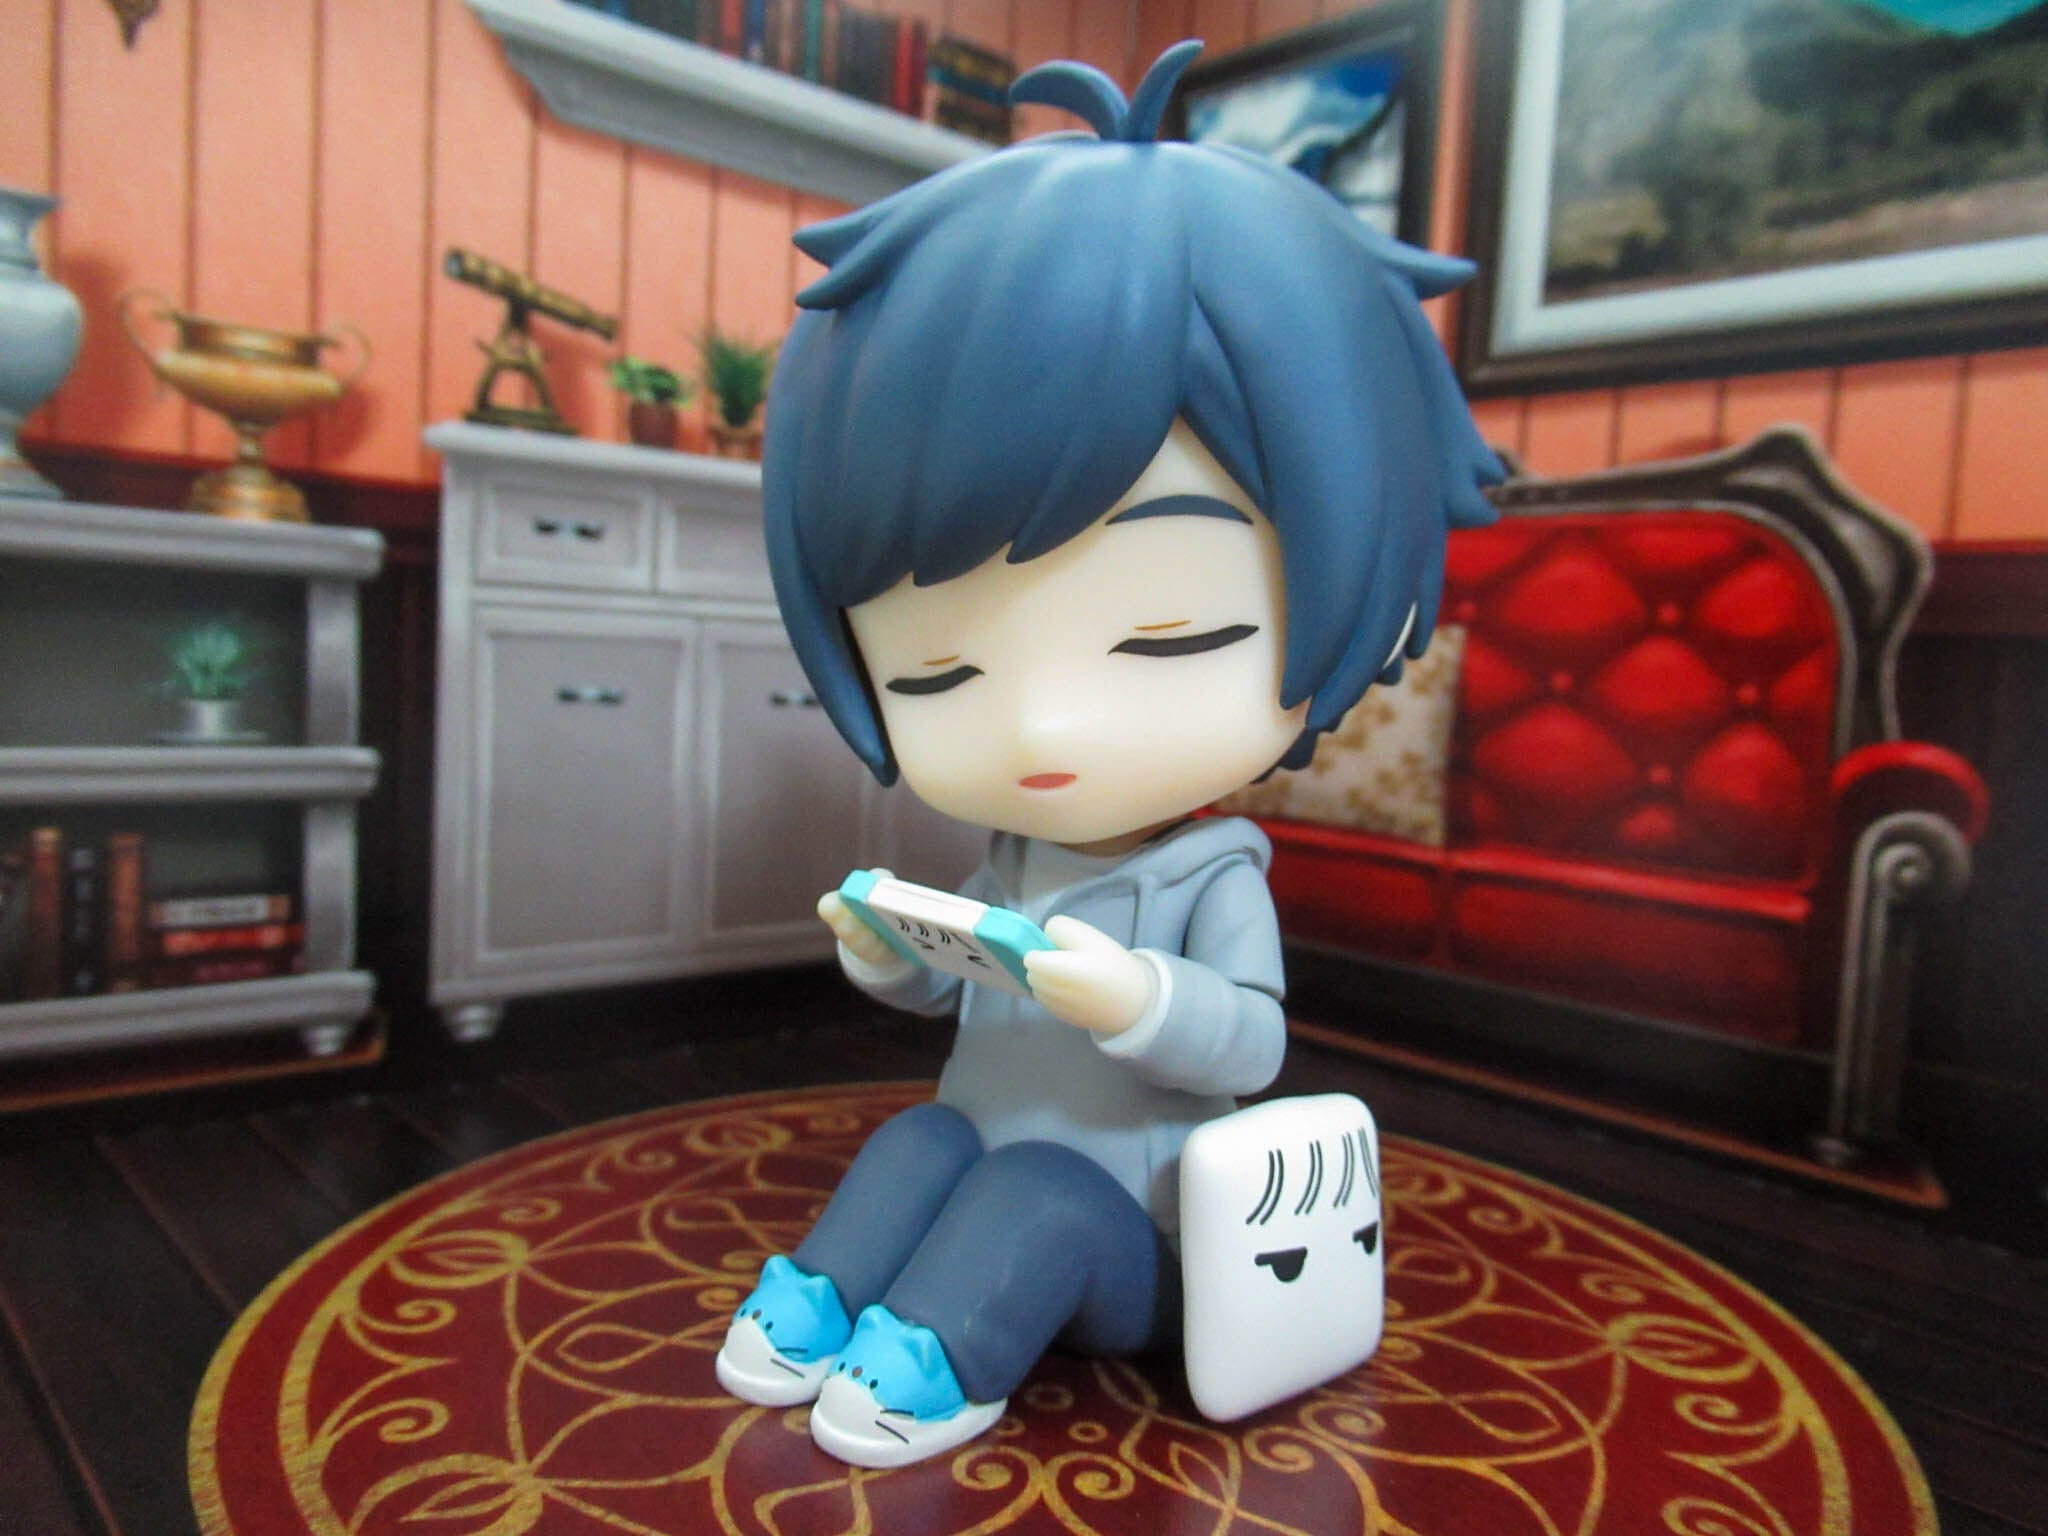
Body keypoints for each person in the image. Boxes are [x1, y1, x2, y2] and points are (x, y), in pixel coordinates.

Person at [719, 39, 1502, 1468]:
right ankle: (826, 1308)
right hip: (990, 1182)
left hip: (1141, 1246)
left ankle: (938, 1364)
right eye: (938, 671)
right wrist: (888, 953)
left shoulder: (1215, 874)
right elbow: (951, 987)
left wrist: (1139, 998)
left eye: (1164, 638)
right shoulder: (1018, 852)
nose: (1041, 730)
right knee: (918, 1142)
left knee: (1035, 1193)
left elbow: (1253, 1041)